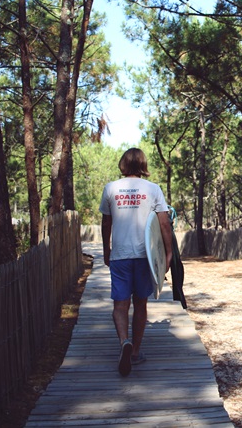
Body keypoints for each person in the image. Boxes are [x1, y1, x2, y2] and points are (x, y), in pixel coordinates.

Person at [99, 148, 173, 376]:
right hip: (145, 256)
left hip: (120, 255)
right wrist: (169, 254)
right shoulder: (153, 189)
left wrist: (106, 250)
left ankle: (124, 342)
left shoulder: (111, 188)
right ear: (142, 164)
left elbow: (106, 224)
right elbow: (163, 224)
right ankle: (135, 352)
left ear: (123, 164)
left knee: (120, 306)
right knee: (141, 304)